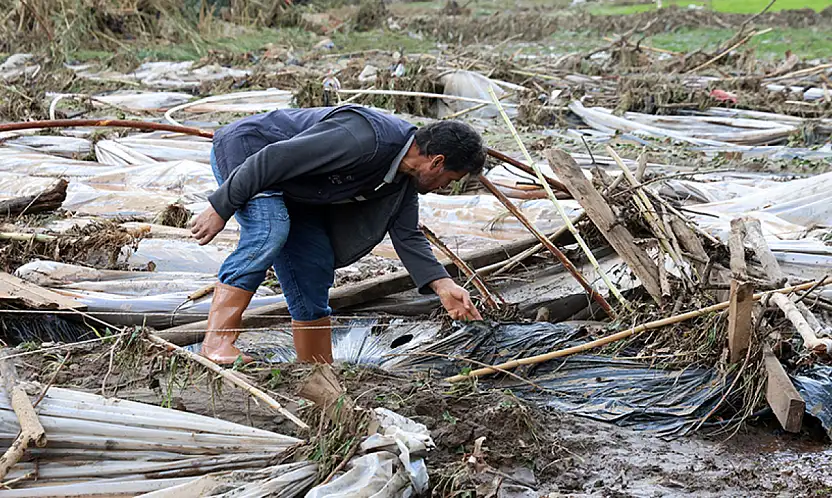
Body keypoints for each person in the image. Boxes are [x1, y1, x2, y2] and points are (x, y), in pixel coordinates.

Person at [191, 105, 486, 365]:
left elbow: (407, 235)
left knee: (314, 262)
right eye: (450, 179)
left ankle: (315, 367)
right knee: (270, 229)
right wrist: (221, 206)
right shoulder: (364, 138)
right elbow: (274, 158)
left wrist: (444, 286)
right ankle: (216, 342)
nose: (446, 188)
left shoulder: (403, 180)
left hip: (299, 189)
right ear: (436, 162)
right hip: (250, 155)